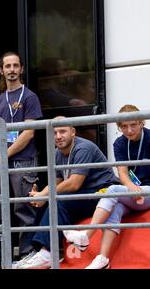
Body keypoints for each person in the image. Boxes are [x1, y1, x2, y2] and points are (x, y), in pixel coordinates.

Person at [15, 118, 119, 269]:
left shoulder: (83, 148)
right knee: (45, 203)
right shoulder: (58, 152)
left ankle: (48, 253)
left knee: (59, 201)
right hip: (85, 192)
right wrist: (42, 195)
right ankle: (38, 251)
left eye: (62, 131)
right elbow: (57, 181)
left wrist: (45, 194)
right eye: (54, 132)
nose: (58, 136)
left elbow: (74, 183)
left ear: (73, 132)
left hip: (103, 192)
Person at [63, 105, 150, 269]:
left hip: (148, 192)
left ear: (141, 123)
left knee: (112, 190)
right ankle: (103, 259)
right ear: (119, 127)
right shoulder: (119, 143)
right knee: (115, 208)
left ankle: (86, 235)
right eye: (124, 126)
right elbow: (123, 173)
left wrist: (136, 190)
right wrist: (131, 188)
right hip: (133, 192)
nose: (129, 130)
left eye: (133, 125)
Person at [0, 52, 43, 269]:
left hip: (22, 162)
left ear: (21, 69)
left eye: (16, 65)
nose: (12, 69)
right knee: (1, 211)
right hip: (0, 164)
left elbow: (29, 132)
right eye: (8, 66)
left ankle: (27, 255)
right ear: (1, 70)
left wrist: (5, 155)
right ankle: (1, 256)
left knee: (24, 210)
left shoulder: (29, 97)